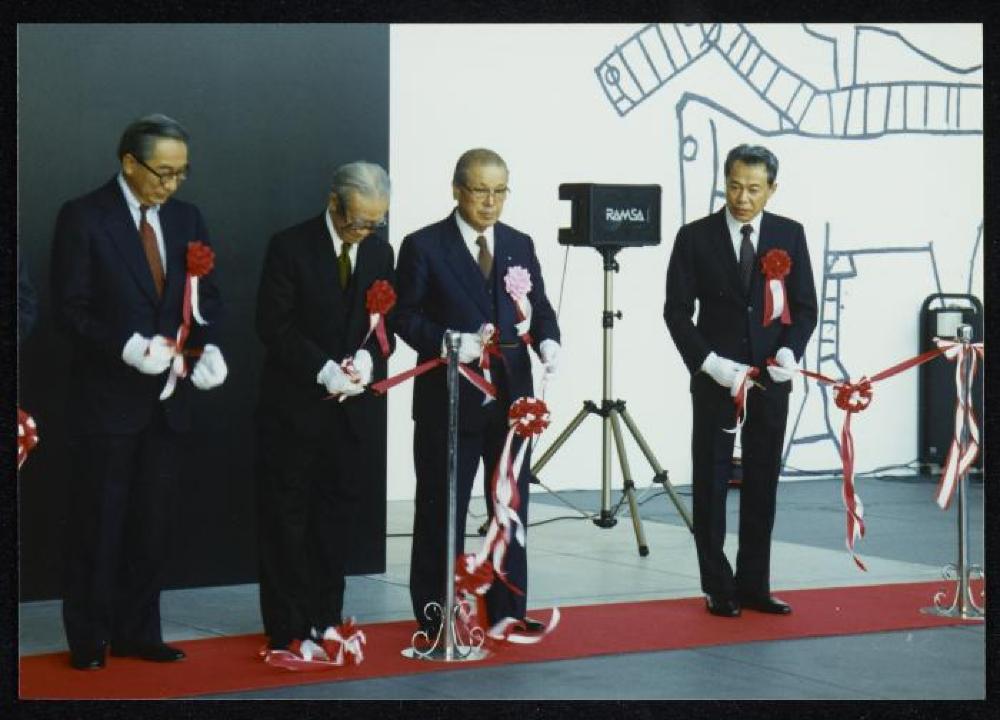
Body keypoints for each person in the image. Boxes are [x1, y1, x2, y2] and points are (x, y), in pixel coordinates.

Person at [50, 114, 226, 669]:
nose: (172, 184)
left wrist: (208, 348)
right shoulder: (84, 216)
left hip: (168, 401)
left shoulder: (187, 217)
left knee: (152, 524)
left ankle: (137, 631)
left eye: (182, 173)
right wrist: (125, 346)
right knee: (99, 524)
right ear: (129, 162)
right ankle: (89, 638)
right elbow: (69, 310)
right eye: (163, 172)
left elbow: (205, 300)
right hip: (107, 401)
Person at [395, 148, 561, 636]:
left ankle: (507, 608)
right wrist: (449, 343)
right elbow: (403, 316)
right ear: (456, 189)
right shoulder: (424, 245)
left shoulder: (518, 243)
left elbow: (540, 307)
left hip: (512, 401)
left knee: (510, 505)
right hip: (451, 397)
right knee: (440, 507)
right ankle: (435, 612)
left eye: (500, 191)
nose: (490, 202)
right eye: (480, 190)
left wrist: (550, 338)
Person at [663, 143, 817, 618]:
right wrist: (708, 362)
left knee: (762, 483)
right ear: (723, 181)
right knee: (710, 483)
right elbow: (675, 311)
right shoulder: (695, 236)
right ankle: (718, 585)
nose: (742, 197)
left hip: (769, 379)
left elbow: (805, 306)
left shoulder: (789, 235)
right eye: (734, 185)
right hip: (716, 379)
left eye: (753, 188)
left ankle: (755, 583)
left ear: (772, 188)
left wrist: (790, 350)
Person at [254, 161, 394, 661]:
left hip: (349, 417)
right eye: (358, 221)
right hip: (294, 410)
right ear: (334, 203)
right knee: (287, 518)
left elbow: (385, 326)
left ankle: (326, 616)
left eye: (375, 223)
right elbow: (273, 324)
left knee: (335, 520)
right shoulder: (289, 246)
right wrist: (322, 368)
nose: (366, 231)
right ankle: (286, 626)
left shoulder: (379, 251)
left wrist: (369, 358)